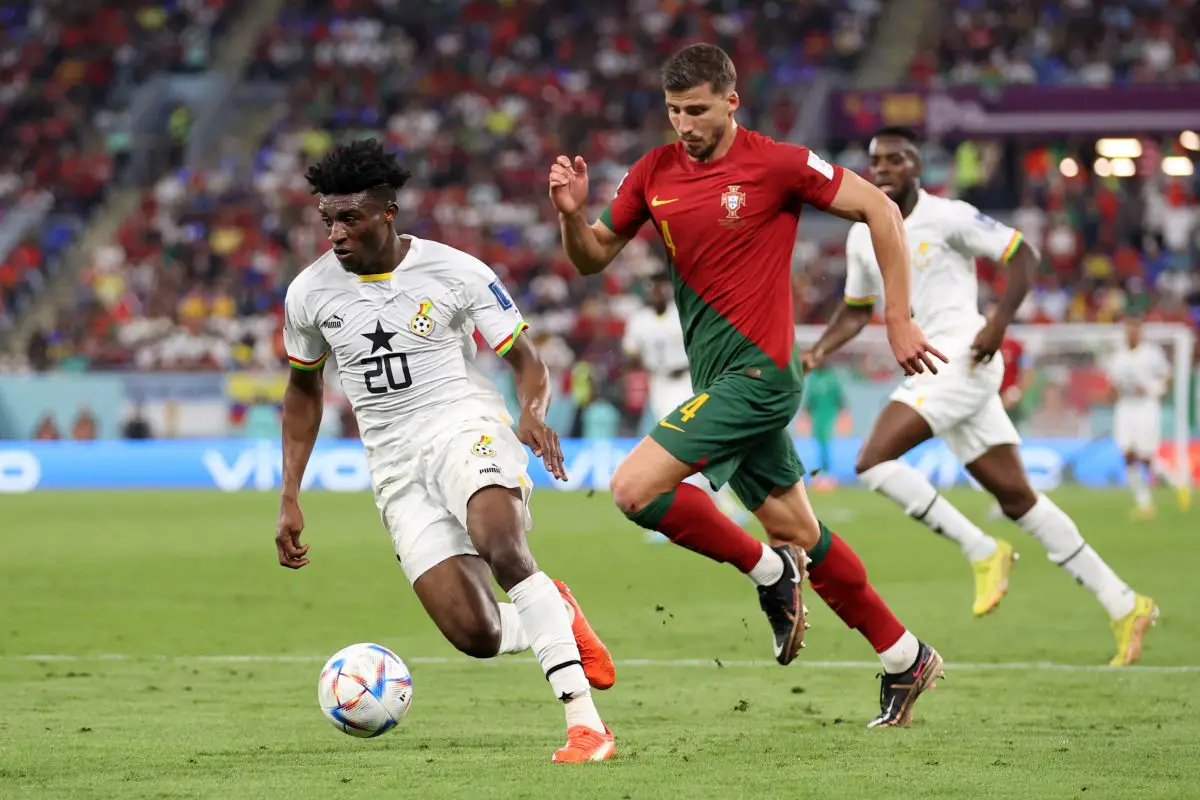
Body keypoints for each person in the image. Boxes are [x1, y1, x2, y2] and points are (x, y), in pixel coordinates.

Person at [549, 43, 946, 728]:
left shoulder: (779, 164)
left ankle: (769, 573)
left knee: (633, 489)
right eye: (674, 111)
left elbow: (881, 210)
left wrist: (899, 315)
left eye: (697, 110)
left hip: (760, 376)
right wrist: (569, 215)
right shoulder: (653, 172)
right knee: (800, 528)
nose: (685, 124)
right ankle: (904, 656)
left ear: (731, 101)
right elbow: (591, 258)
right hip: (720, 380)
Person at [276, 139, 615, 762]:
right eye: (328, 220)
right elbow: (302, 393)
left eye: (350, 218)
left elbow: (527, 360)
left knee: (504, 547)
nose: (336, 234)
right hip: (394, 463)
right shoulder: (308, 294)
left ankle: (585, 724)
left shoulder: (457, 271)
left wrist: (532, 413)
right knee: (476, 634)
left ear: (387, 212)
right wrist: (289, 494)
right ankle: (556, 614)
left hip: (464, 425)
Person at [805, 126, 1157, 666]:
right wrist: (818, 350)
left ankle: (981, 548)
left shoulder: (948, 216)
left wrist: (997, 322)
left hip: (962, 355)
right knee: (1019, 499)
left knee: (872, 461)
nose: (884, 170)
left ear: (916, 166)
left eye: (896, 160)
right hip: (937, 365)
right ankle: (1125, 603)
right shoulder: (862, 234)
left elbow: (1023, 254)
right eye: (876, 162)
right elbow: (856, 309)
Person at [622, 272, 750, 527]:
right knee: (683, 447)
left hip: (687, 383)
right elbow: (630, 353)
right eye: (653, 288)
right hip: (658, 384)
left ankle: (697, 510)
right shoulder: (639, 321)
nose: (657, 292)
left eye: (661, 288)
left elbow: (704, 345)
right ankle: (718, 506)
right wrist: (645, 363)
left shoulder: (682, 314)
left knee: (683, 444)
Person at [1105, 315, 1191, 518]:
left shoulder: (1151, 354)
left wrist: (1153, 389)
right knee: (1127, 453)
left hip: (1147, 407)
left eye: (1134, 329)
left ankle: (1178, 483)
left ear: (1140, 331)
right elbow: (1113, 385)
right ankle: (1144, 505)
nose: (1131, 333)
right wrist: (1111, 394)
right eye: (1128, 329)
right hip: (1125, 407)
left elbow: (1167, 376)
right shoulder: (1118, 356)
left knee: (1146, 458)